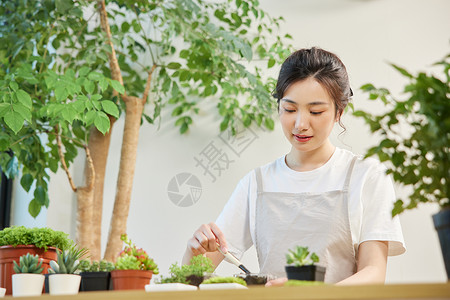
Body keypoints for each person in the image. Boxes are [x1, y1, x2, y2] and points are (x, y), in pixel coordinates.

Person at [182, 47, 405, 285]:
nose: (300, 124)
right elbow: (194, 279)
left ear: (339, 111)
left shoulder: (367, 175)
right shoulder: (256, 183)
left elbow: (374, 273)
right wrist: (193, 252)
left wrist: (309, 294)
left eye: (316, 111)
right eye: (289, 109)